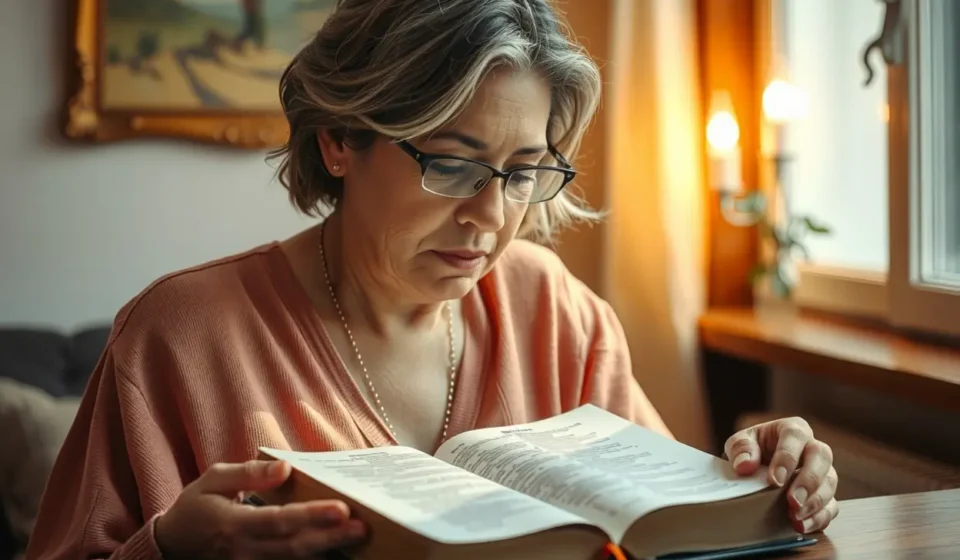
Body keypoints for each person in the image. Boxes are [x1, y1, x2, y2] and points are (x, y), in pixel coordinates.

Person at [26, 0, 839, 558]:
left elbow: (664, 531)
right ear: (341, 141)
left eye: (524, 172)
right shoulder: (177, 336)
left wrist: (766, 481)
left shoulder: (561, 315)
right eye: (452, 164)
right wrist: (168, 550)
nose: (492, 216)